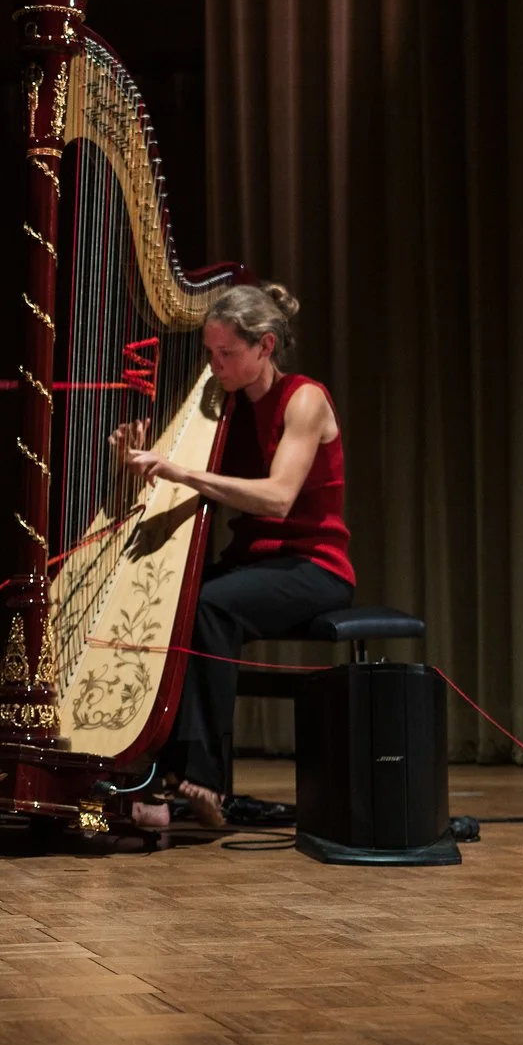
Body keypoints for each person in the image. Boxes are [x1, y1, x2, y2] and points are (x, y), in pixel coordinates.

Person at [112, 282, 353, 829]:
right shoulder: (219, 407)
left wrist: (182, 471)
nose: (214, 364)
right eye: (210, 353)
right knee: (162, 601)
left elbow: (278, 496)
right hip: (254, 565)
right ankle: (152, 768)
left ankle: (205, 780)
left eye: (227, 354)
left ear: (265, 347)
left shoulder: (304, 399)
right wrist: (139, 459)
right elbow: (178, 486)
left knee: (210, 607)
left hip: (314, 567)